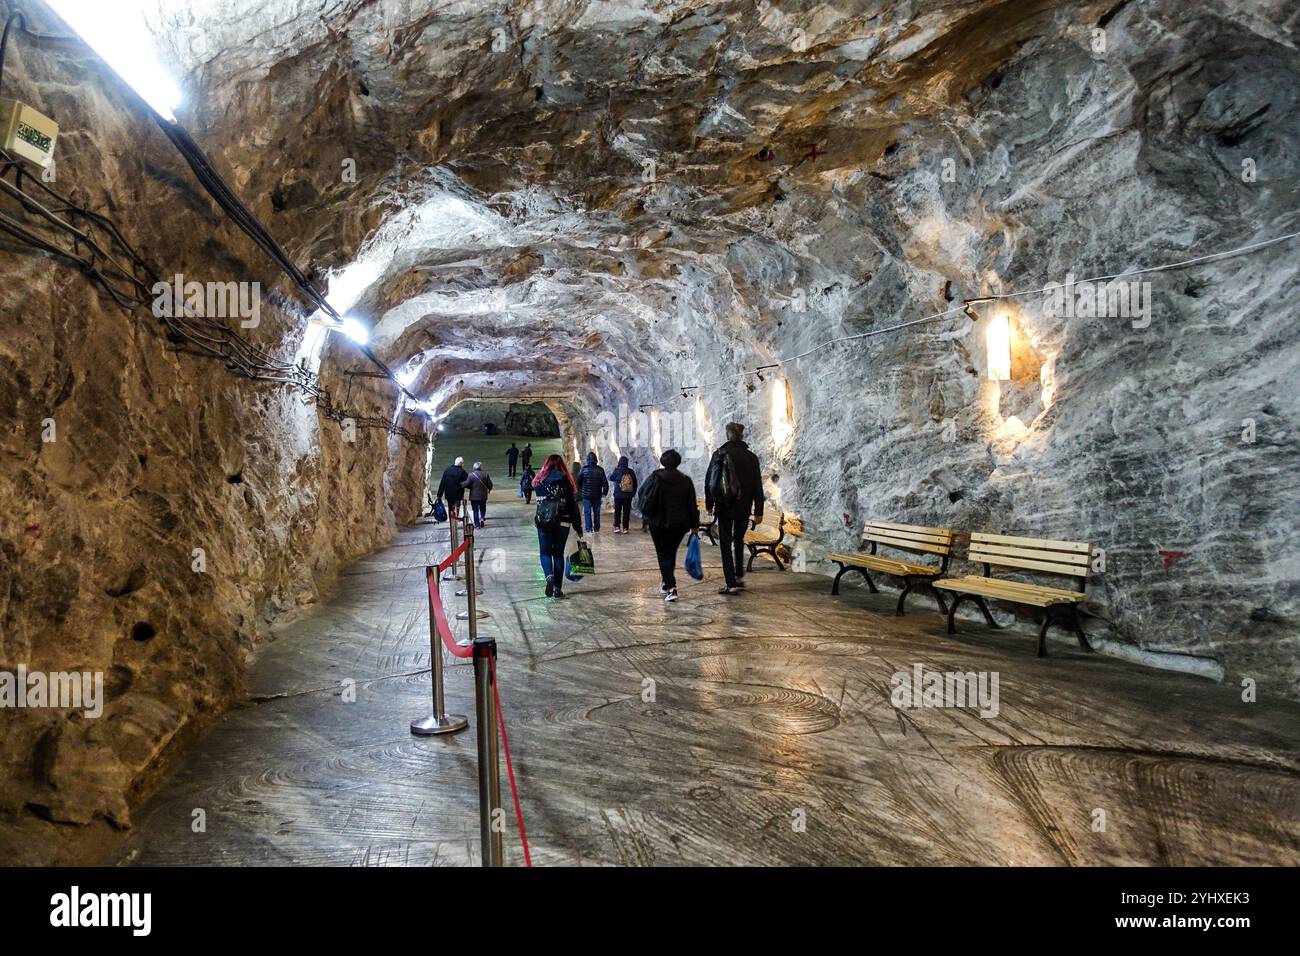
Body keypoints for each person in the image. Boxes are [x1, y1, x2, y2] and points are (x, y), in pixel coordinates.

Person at [705, 422, 765, 595]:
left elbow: (711, 480)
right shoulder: (751, 457)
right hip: (744, 506)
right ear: (742, 436)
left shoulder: (719, 454)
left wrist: (710, 503)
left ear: (727, 435)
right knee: (738, 539)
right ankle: (738, 576)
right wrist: (758, 510)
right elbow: (757, 486)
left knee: (725, 543)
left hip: (724, 505)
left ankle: (730, 582)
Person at [637, 449, 700, 602]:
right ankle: (666, 582)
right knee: (670, 553)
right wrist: (695, 525)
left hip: (657, 523)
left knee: (663, 554)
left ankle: (672, 588)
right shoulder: (686, 480)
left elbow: (641, 492)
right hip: (679, 524)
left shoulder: (655, 477)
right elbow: (692, 504)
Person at [532, 454, 583, 598]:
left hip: (544, 521)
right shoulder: (566, 480)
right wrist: (578, 527)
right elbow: (572, 506)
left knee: (545, 553)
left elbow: (539, 502)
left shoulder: (539, 481)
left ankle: (549, 576)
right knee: (558, 555)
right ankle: (557, 589)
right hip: (563, 521)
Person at [576, 451, 609, 533]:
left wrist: (582, 489)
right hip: (597, 495)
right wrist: (604, 493)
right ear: (596, 460)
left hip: (586, 496)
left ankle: (589, 529)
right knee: (596, 512)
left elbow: (578, 481)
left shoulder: (583, 470)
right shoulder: (600, 470)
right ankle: (597, 528)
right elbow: (605, 483)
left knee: (587, 512)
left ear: (588, 460)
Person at [608, 455, 638, 534]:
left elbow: (611, 478)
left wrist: (615, 469)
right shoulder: (631, 471)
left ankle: (617, 526)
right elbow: (635, 483)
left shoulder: (617, 470)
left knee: (617, 511)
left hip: (618, 495)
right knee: (626, 512)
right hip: (628, 495)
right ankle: (625, 528)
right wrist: (633, 493)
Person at [461, 461, 494, 528]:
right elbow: (490, 484)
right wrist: (489, 489)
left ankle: (477, 524)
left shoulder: (471, 475)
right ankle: (482, 518)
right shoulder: (485, 474)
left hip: (474, 496)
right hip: (483, 496)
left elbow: (467, 484)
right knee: (483, 508)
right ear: (481, 467)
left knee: (475, 510)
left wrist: (461, 484)